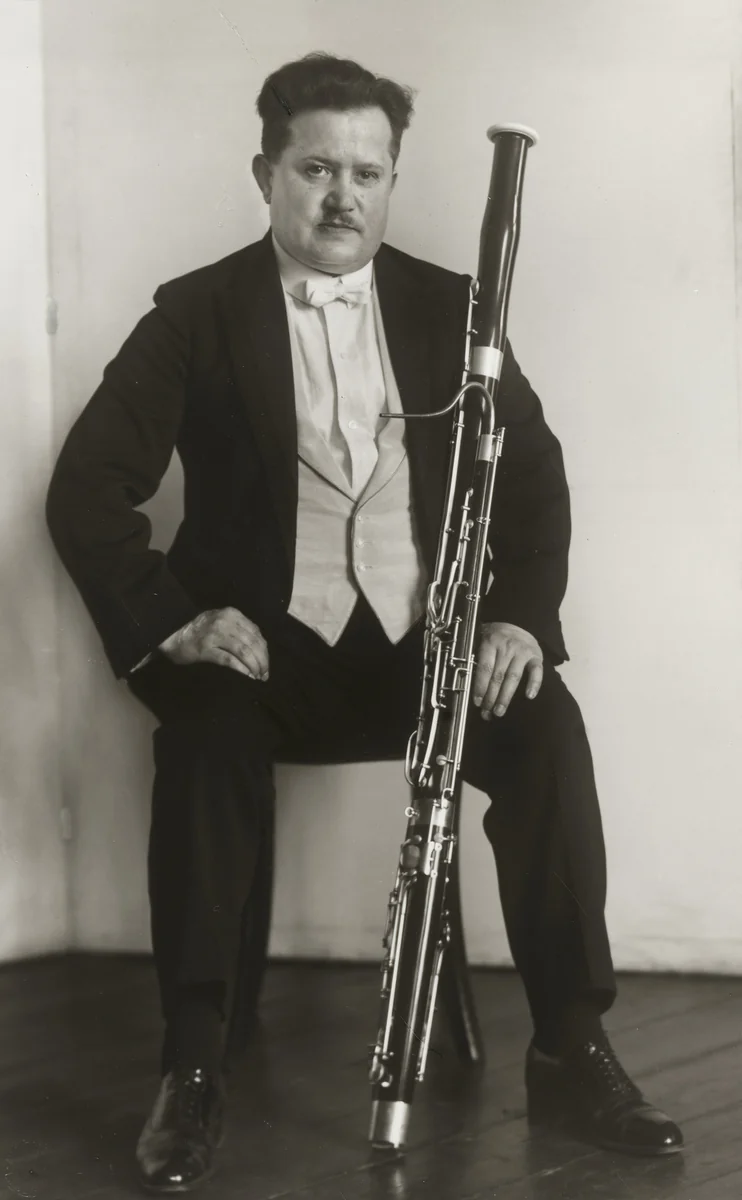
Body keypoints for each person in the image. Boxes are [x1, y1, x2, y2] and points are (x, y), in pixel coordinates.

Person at [46, 52, 683, 1195]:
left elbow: (531, 483)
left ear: (394, 179)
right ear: (265, 173)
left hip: (418, 647)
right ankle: (192, 1068)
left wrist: (518, 622)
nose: (344, 198)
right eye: (316, 169)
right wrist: (174, 624)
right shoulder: (194, 313)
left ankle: (571, 1047)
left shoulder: (454, 308)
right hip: (264, 648)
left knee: (545, 731)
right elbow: (87, 488)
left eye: (368, 173)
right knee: (202, 740)